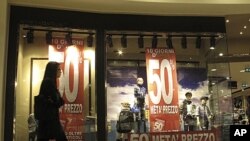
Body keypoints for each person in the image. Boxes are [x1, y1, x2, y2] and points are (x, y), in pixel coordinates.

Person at [36, 61, 67, 141]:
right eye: (58, 69)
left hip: (47, 119)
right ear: (53, 70)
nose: (60, 71)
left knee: (43, 137)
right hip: (50, 119)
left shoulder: (47, 81)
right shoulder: (49, 82)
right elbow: (58, 101)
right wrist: (60, 100)